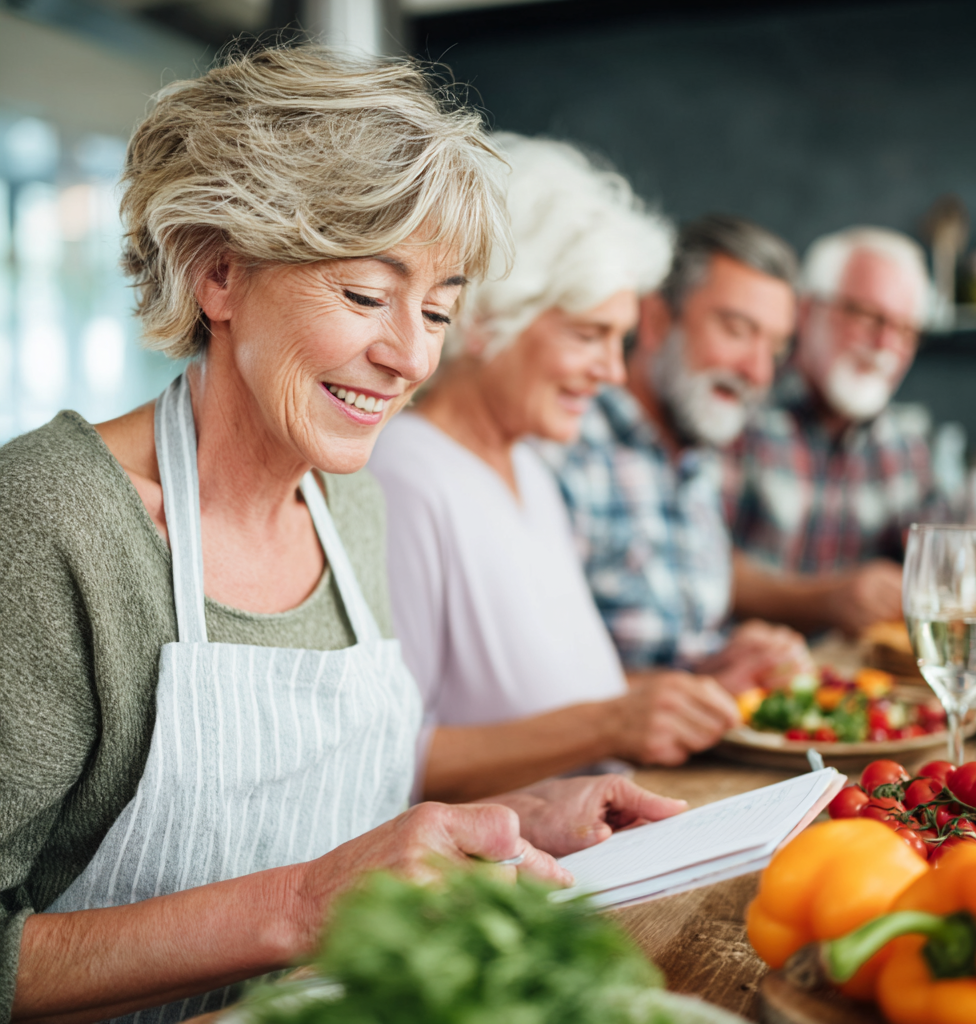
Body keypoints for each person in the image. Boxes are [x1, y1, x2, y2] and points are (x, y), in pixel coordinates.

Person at [0, 50, 685, 1024]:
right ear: (219, 272)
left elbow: (335, 797)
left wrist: (512, 819)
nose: (410, 355)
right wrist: (300, 904)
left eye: (439, 308)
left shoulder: (347, 503)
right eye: (366, 295)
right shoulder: (47, 524)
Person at [369, 135, 743, 805]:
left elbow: (553, 697)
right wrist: (611, 722)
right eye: (587, 334)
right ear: (489, 319)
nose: (611, 371)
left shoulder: (530, 469)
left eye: (619, 340)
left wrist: (686, 694)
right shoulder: (405, 476)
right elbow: (387, 759)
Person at [546, 215, 815, 684]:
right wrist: (697, 685)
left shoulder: (697, 454)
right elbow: (530, 682)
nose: (758, 372)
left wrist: (730, 659)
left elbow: (677, 655)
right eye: (736, 330)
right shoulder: (569, 445)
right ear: (655, 321)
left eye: (773, 349)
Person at [725, 227, 936, 636]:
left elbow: (939, 548)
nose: (886, 344)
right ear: (805, 312)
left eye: (906, 330)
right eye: (869, 317)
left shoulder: (903, 444)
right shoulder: (736, 413)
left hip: (860, 685)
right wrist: (824, 600)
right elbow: (701, 568)